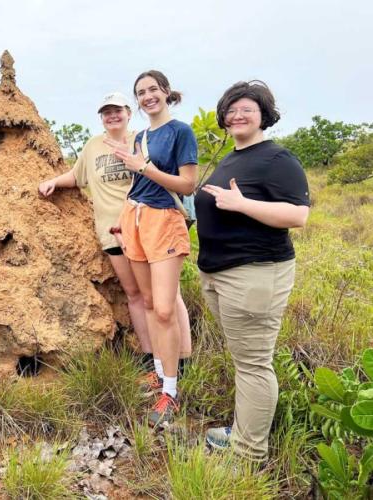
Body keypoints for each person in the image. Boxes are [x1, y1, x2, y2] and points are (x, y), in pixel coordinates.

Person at [38, 92, 191, 380]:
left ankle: (181, 358)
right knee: (135, 295)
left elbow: (163, 179)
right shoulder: (93, 146)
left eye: (117, 110)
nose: (112, 116)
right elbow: (77, 176)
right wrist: (53, 183)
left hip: (144, 226)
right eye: (106, 112)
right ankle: (152, 358)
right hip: (110, 231)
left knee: (166, 297)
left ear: (128, 112)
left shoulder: (141, 140)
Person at [195, 81, 310, 462]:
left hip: (255, 272)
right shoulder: (231, 157)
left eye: (247, 109)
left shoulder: (277, 159)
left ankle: (248, 453)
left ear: (264, 114)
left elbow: (298, 215)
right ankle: (244, 431)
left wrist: (242, 204)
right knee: (244, 360)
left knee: (253, 364)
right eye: (231, 109)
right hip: (220, 272)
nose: (238, 115)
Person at [104, 71, 198, 428]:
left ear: (166, 92)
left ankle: (171, 392)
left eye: (153, 90)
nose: (147, 97)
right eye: (141, 93)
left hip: (164, 221)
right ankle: (160, 372)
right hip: (136, 218)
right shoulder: (141, 135)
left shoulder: (180, 132)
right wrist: (124, 221)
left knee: (163, 309)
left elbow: (187, 185)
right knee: (145, 302)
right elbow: (137, 184)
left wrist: (144, 166)